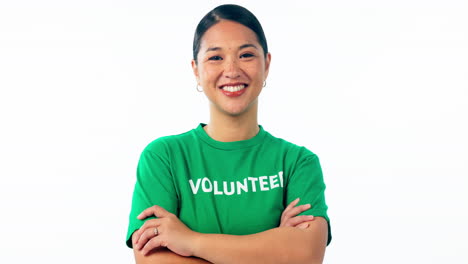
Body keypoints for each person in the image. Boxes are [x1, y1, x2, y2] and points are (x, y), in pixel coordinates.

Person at [126, 4, 331, 264]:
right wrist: (275, 248)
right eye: (215, 57)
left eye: (246, 55)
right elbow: (153, 261)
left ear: (266, 64)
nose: (232, 70)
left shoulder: (298, 162)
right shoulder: (164, 158)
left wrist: (189, 241)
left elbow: (306, 255)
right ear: (196, 70)